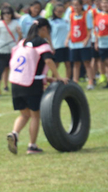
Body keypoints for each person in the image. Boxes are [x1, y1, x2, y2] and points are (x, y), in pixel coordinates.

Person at [6, 18, 68, 155]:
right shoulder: (41, 42)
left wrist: (46, 78)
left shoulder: (22, 42)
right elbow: (48, 60)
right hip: (31, 84)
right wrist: (58, 76)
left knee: (24, 114)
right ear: (44, 29)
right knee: (35, 115)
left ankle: (14, 133)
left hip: (16, 83)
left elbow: (29, 65)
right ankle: (32, 146)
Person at [0, 6, 22, 95]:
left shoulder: (15, 23)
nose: (7, 15)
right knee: (1, 69)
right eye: (4, 13)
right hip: (2, 49)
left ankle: (8, 86)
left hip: (12, 49)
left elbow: (20, 34)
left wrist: (17, 44)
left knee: (10, 68)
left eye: (8, 13)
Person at [66, 0, 96, 89]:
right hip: (74, 43)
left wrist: (87, 39)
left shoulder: (86, 15)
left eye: (77, 5)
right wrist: (67, 39)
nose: (75, 7)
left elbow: (90, 29)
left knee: (86, 62)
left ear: (81, 5)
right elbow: (70, 29)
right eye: (74, 5)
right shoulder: (71, 15)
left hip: (83, 42)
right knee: (76, 63)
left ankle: (90, 81)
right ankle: (75, 81)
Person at [49, 3, 72, 80]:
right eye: (58, 11)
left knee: (68, 64)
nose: (60, 13)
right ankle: (53, 80)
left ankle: (68, 80)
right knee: (56, 65)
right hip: (56, 45)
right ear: (54, 11)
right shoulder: (51, 22)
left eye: (62, 11)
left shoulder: (65, 20)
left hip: (66, 45)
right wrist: (51, 45)